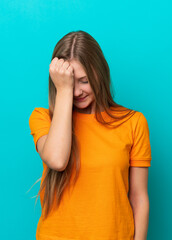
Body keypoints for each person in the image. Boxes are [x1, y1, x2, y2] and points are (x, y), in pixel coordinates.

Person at [28, 30, 152, 240]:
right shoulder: (42, 119)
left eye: (84, 81)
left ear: (100, 73)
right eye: (69, 83)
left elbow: (139, 197)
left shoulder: (133, 122)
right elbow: (57, 160)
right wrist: (64, 92)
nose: (77, 92)